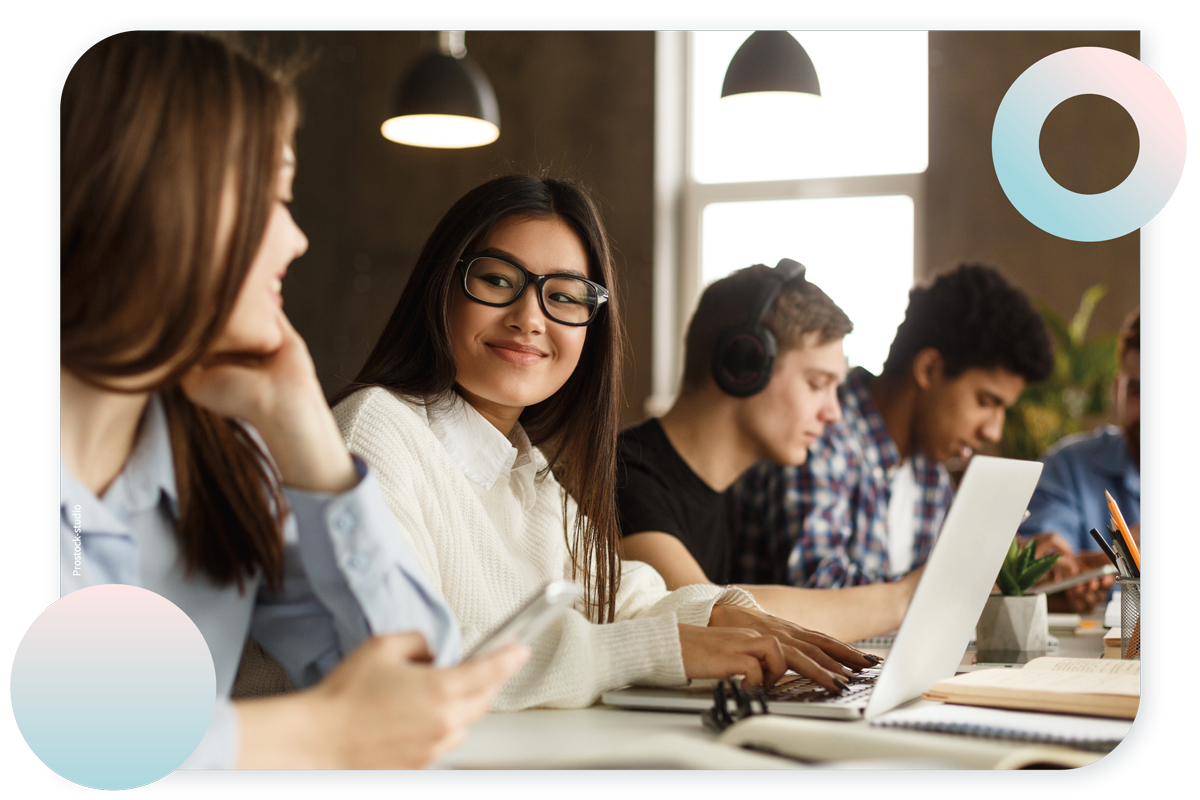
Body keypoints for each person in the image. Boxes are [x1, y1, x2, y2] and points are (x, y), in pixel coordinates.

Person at [59, 30, 527, 770]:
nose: (298, 238)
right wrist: (318, 732)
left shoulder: (226, 454)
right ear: (158, 197)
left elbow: (422, 695)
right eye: (275, 197)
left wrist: (310, 438)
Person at [333, 175, 876, 710]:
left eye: (565, 296)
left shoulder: (523, 467)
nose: (529, 319)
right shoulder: (374, 430)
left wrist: (721, 614)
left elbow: (619, 594)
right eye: (498, 281)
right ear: (441, 288)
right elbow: (409, 664)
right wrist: (659, 649)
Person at [617, 261, 921, 642]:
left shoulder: (734, 496)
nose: (834, 413)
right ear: (744, 364)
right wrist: (908, 597)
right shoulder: (624, 476)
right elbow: (709, 615)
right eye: (816, 384)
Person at [734, 263, 1055, 591]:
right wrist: (960, 587)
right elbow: (817, 586)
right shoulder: (818, 434)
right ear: (928, 369)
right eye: (986, 402)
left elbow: (947, 582)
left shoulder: (929, 470)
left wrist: (1029, 577)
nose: (993, 432)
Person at [1017, 307, 1140, 612]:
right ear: (1117, 390)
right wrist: (1066, 576)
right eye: (1138, 390)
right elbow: (1045, 563)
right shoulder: (1068, 466)